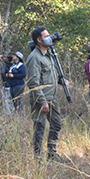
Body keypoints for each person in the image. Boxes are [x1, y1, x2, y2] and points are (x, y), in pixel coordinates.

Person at [25, 26, 64, 161]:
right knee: (40, 128)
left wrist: (61, 81)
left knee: (56, 125)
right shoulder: (34, 57)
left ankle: (52, 154)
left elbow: (50, 75)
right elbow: (33, 83)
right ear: (39, 40)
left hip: (53, 97)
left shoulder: (49, 54)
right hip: (41, 99)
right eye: (46, 36)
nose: (49, 38)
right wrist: (43, 102)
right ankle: (39, 159)